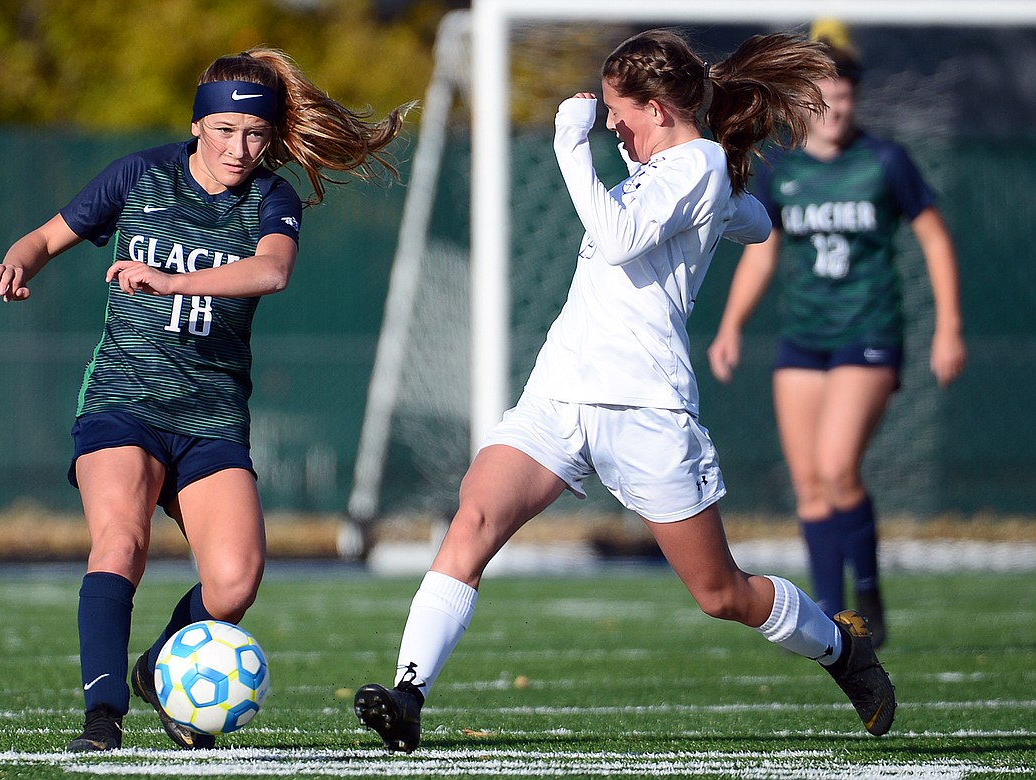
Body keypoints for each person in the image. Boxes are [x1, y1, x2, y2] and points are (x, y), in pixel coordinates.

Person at [353, 29, 897, 754]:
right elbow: (757, 221)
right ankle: (409, 693)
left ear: (658, 108)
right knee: (472, 521)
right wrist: (725, 210)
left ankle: (840, 647)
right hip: (560, 395)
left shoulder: (698, 161)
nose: (609, 124)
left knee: (721, 594)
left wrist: (569, 144)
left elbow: (619, 238)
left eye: (619, 111)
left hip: (645, 410)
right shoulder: (674, 175)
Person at [0, 47, 410, 752]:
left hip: (211, 417)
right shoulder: (140, 175)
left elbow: (271, 272)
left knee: (236, 582)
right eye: (225, 132)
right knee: (120, 542)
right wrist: (15, 265)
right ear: (196, 126)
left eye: (256, 135)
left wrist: (173, 282)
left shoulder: (271, 198)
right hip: (125, 402)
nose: (241, 149)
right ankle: (103, 717)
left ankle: (157, 670)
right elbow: (45, 237)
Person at [706, 38, 966, 648]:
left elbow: (934, 238)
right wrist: (731, 327)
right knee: (809, 481)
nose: (837, 108)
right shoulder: (784, 169)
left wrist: (949, 325)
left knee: (836, 467)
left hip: (868, 333)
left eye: (846, 96)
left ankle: (869, 588)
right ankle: (831, 610)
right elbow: (762, 255)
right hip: (803, 338)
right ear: (802, 102)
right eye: (825, 98)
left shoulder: (885, 161)